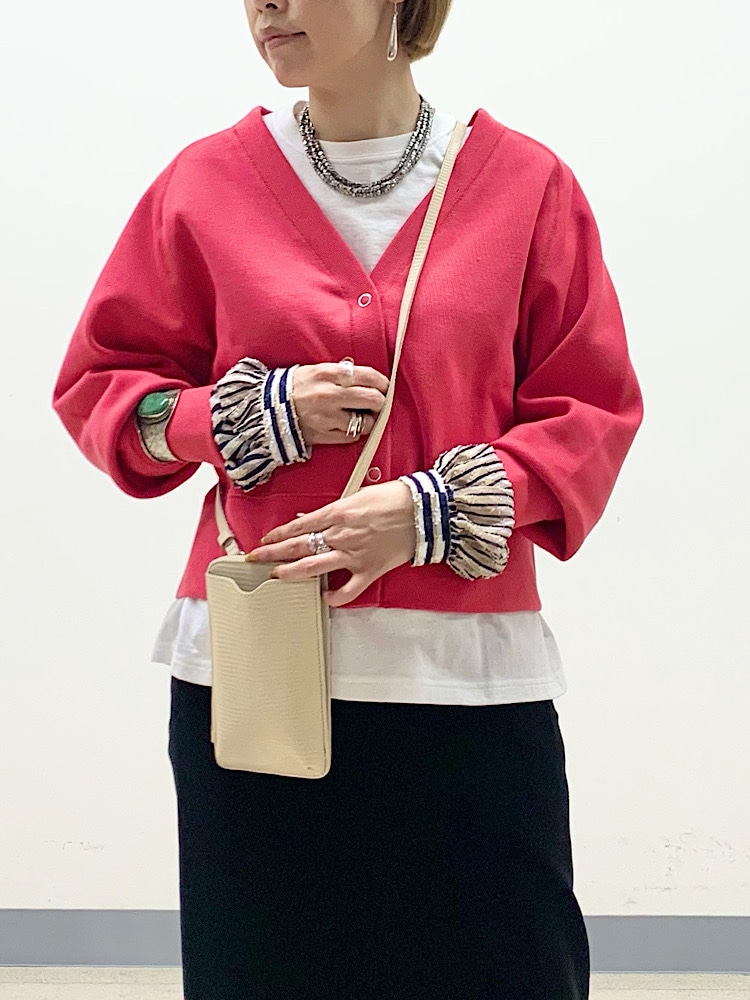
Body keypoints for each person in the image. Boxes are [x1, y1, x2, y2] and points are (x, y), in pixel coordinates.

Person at [52, 0, 644, 996]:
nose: (266, 5)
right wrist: (250, 415)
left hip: (465, 686)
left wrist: (430, 512)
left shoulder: (526, 185)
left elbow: (592, 410)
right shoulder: (203, 184)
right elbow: (102, 390)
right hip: (254, 681)